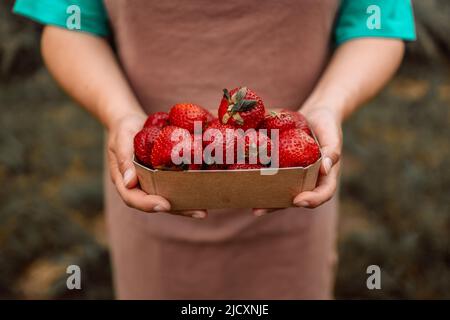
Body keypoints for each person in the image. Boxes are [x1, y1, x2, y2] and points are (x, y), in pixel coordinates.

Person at [13, 0, 415, 299]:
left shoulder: (287, 140)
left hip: (292, 186)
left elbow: (376, 18)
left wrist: (329, 105)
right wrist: (120, 115)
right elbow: (69, 21)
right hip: (154, 179)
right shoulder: (158, 138)